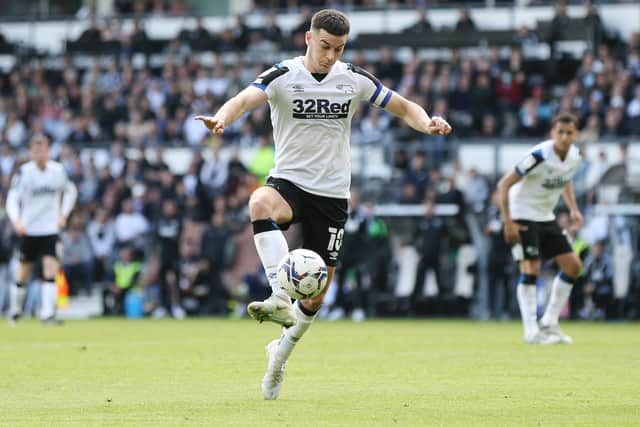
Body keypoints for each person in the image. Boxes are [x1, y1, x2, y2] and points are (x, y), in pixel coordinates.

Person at [195, 9, 451, 400]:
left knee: (316, 298)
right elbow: (245, 98)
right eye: (326, 46)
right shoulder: (284, 74)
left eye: (339, 48)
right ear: (308, 39)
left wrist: (427, 121)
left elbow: (402, 106)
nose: (331, 55)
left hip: (331, 194)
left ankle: (279, 356)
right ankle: (279, 297)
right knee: (260, 201)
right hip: (291, 181)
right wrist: (221, 117)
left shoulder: (352, 79)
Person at [497, 112, 583, 345]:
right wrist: (508, 222)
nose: (565, 137)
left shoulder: (575, 157)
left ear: (576, 134)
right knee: (531, 269)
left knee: (573, 265)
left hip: (546, 216)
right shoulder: (538, 156)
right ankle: (531, 330)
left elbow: (566, 180)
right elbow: (503, 185)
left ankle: (550, 321)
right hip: (521, 214)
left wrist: (574, 209)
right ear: (552, 133)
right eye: (560, 132)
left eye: (569, 133)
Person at [6, 135, 77, 325]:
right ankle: (15, 310)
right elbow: (12, 199)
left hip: (49, 230)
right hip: (29, 230)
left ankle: (47, 314)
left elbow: (70, 191)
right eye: (36, 149)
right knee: (23, 273)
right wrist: (16, 221)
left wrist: (64, 214)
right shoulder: (24, 173)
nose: (40, 152)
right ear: (31, 152)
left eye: (43, 148)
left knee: (50, 270)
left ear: (48, 150)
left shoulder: (58, 170)